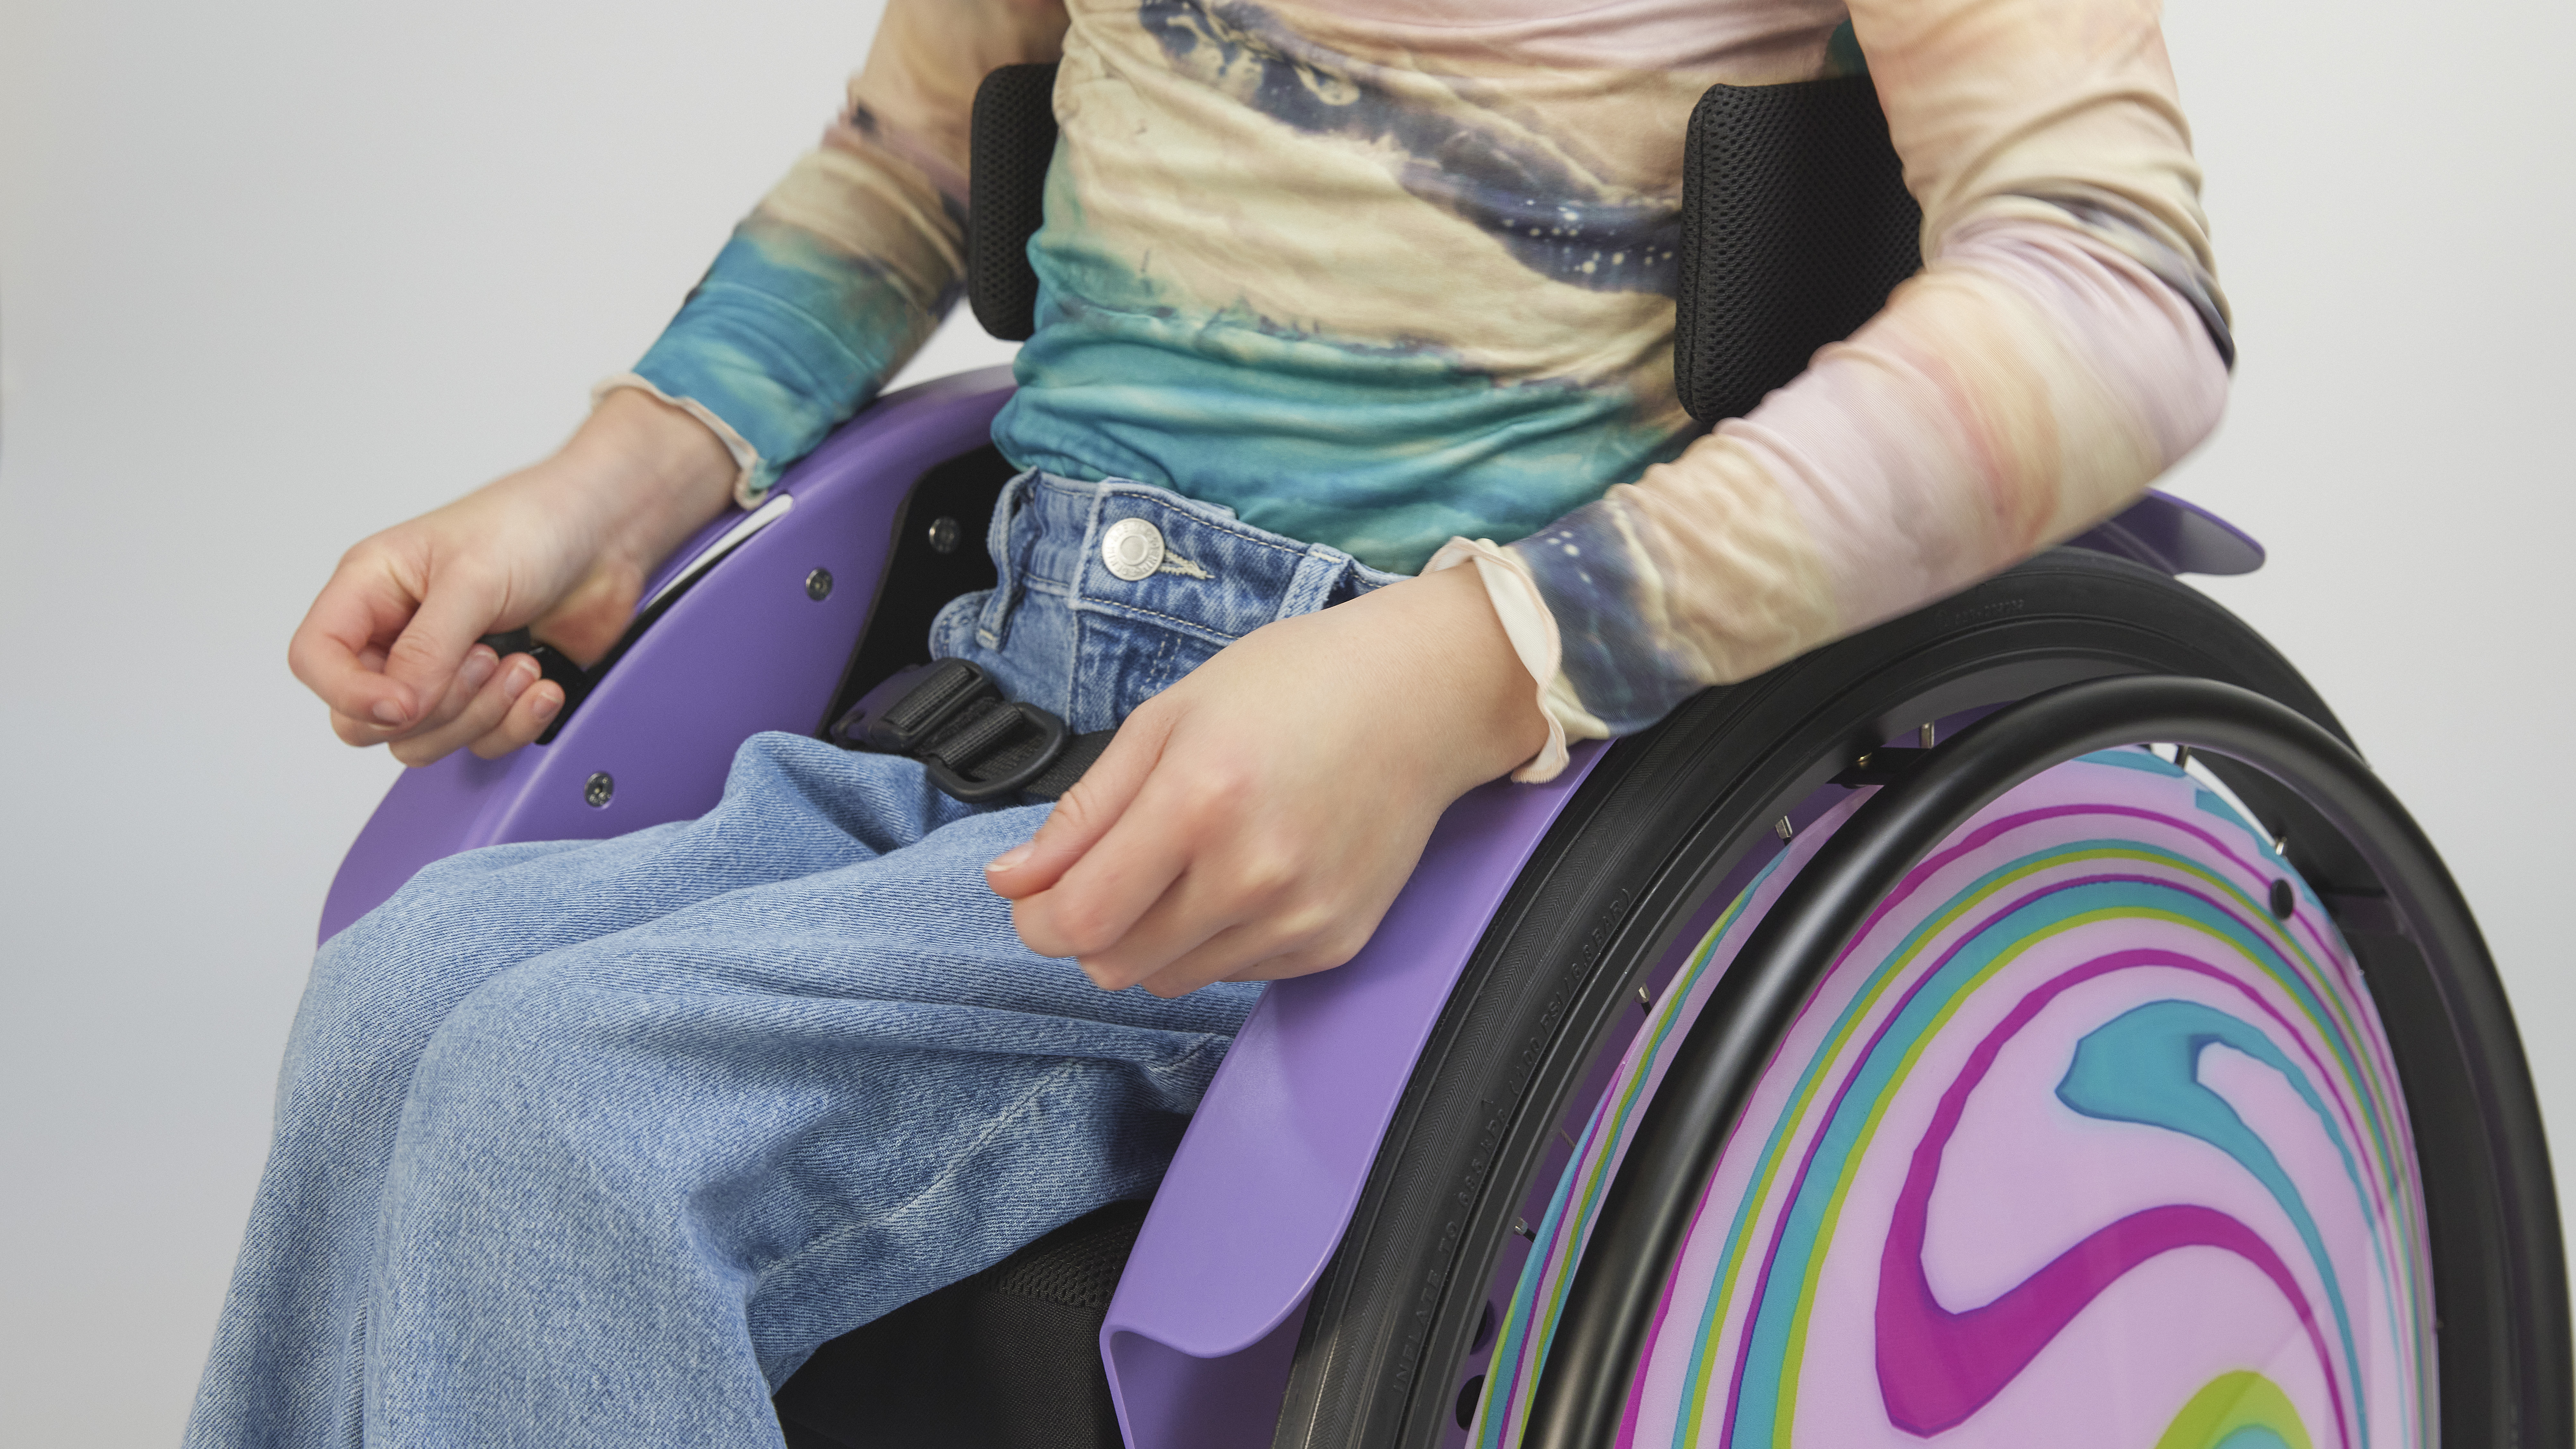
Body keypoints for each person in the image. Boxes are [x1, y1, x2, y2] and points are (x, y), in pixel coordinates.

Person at [188, 0, 2232, 1444]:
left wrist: (1476, 663)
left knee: (564, 1104)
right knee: (407, 992)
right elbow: (910, 164)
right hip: (1005, 686)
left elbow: (2111, 294)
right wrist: (613, 480)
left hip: (1446, 804)